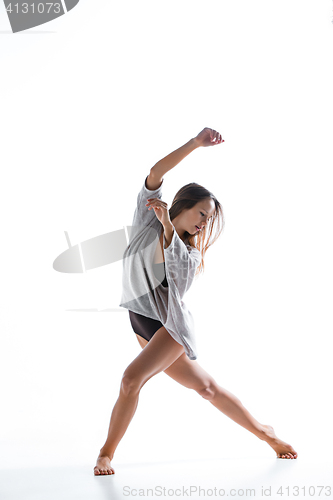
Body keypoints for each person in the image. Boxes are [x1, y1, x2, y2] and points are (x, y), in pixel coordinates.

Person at [94, 127, 298, 476]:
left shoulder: (187, 252)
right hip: (141, 320)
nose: (205, 223)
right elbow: (155, 173)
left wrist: (171, 231)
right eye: (202, 214)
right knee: (206, 388)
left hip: (170, 329)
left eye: (209, 218)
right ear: (183, 206)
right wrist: (195, 143)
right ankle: (266, 432)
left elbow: (177, 276)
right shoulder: (147, 220)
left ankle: (105, 454)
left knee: (130, 380)